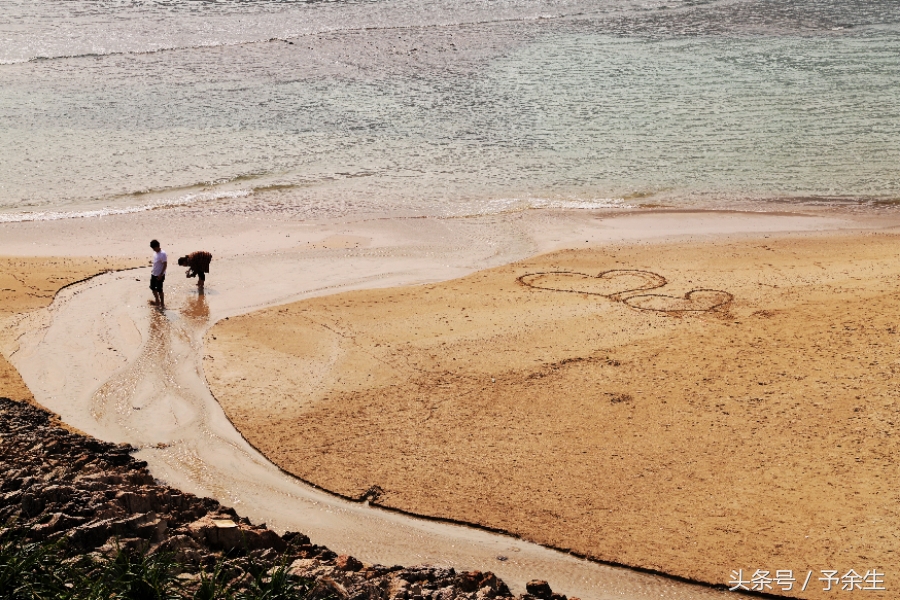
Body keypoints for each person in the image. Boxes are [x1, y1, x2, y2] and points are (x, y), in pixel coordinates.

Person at [149, 239, 167, 308]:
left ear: (157, 246)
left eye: (154, 248)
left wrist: (161, 274)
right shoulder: (155, 253)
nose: (153, 250)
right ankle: (157, 299)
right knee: (152, 287)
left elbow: (165, 265)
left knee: (159, 289)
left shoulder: (163, 254)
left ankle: (162, 303)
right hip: (154, 273)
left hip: (160, 274)